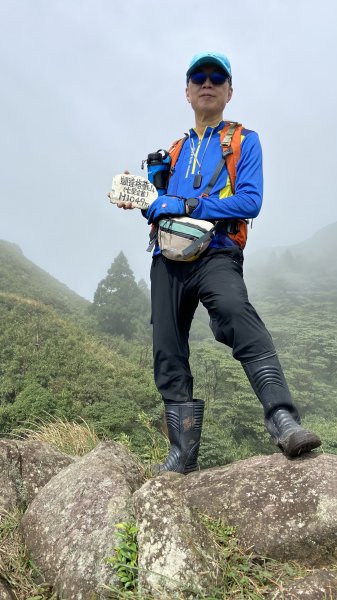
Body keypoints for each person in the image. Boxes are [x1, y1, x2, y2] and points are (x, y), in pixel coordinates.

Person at [118, 52, 321, 473]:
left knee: (235, 313)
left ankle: (283, 420)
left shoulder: (244, 140)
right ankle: (182, 456)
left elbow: (251, 200)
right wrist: (139, 200)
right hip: (167, 257)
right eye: (199, 77)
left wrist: (186, 202)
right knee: (167, 348)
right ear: (188, 91)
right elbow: (155, 208)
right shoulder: (173, 151)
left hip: (217, 252)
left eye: (217, 77)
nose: (207, 83)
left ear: (229, 91)